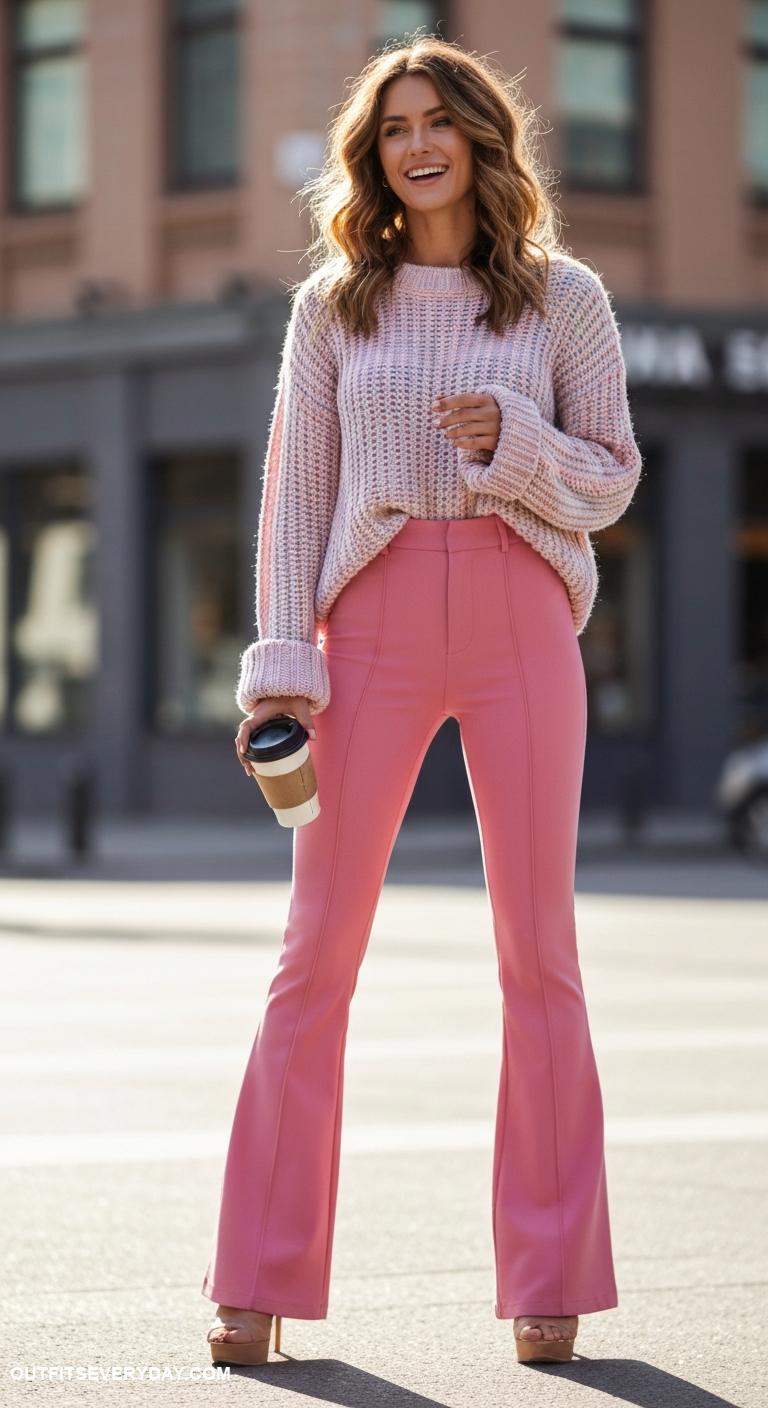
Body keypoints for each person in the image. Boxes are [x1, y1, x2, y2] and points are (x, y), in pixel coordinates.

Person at [203, 33, 642, 1368]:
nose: (417, 141)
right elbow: (294, 500)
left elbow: (614, 473)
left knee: (540, 955)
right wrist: (284, 662)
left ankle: (550, 1280)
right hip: (375, 616)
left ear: (482, 139)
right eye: (394, 124)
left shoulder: (563, 300)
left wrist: (517, 450)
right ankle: (256, 1278)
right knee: (314, 958)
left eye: (440, 117)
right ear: (373, 154)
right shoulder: (335, 307)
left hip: (520, 614)